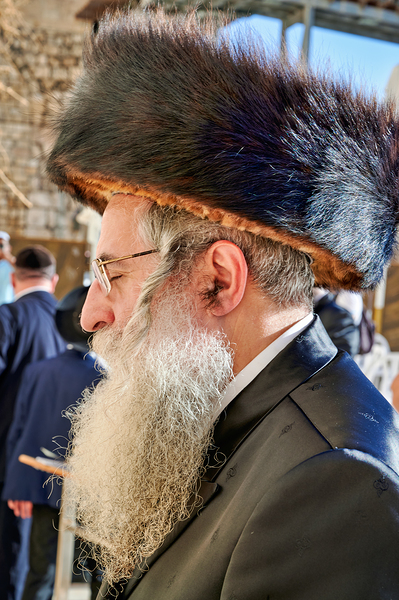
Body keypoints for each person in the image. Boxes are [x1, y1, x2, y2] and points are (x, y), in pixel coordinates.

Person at [46, 10, 399, 600]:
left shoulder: (335, 482)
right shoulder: (216, 412)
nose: (89, 315)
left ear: (216, 280)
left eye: (111, 272)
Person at [3, 285, 103, 600]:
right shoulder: (107, 376)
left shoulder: (38, 371)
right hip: (92, 496)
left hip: (43, 487)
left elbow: (21, 431)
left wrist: (18, 487)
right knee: (94, 575)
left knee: (40, 571)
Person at [0, 246, 66, 600]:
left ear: (14, 279)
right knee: (38, 562)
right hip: (55, 463)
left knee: (7, 560)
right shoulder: (72, 325)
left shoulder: (7, 317)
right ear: (54, 281)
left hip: (6, 460)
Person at [0, 231, 15, 305]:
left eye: (1, 245)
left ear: (9, 247)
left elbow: (22, 269)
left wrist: (7, 256)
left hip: (6, 309)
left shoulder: (11, 264)